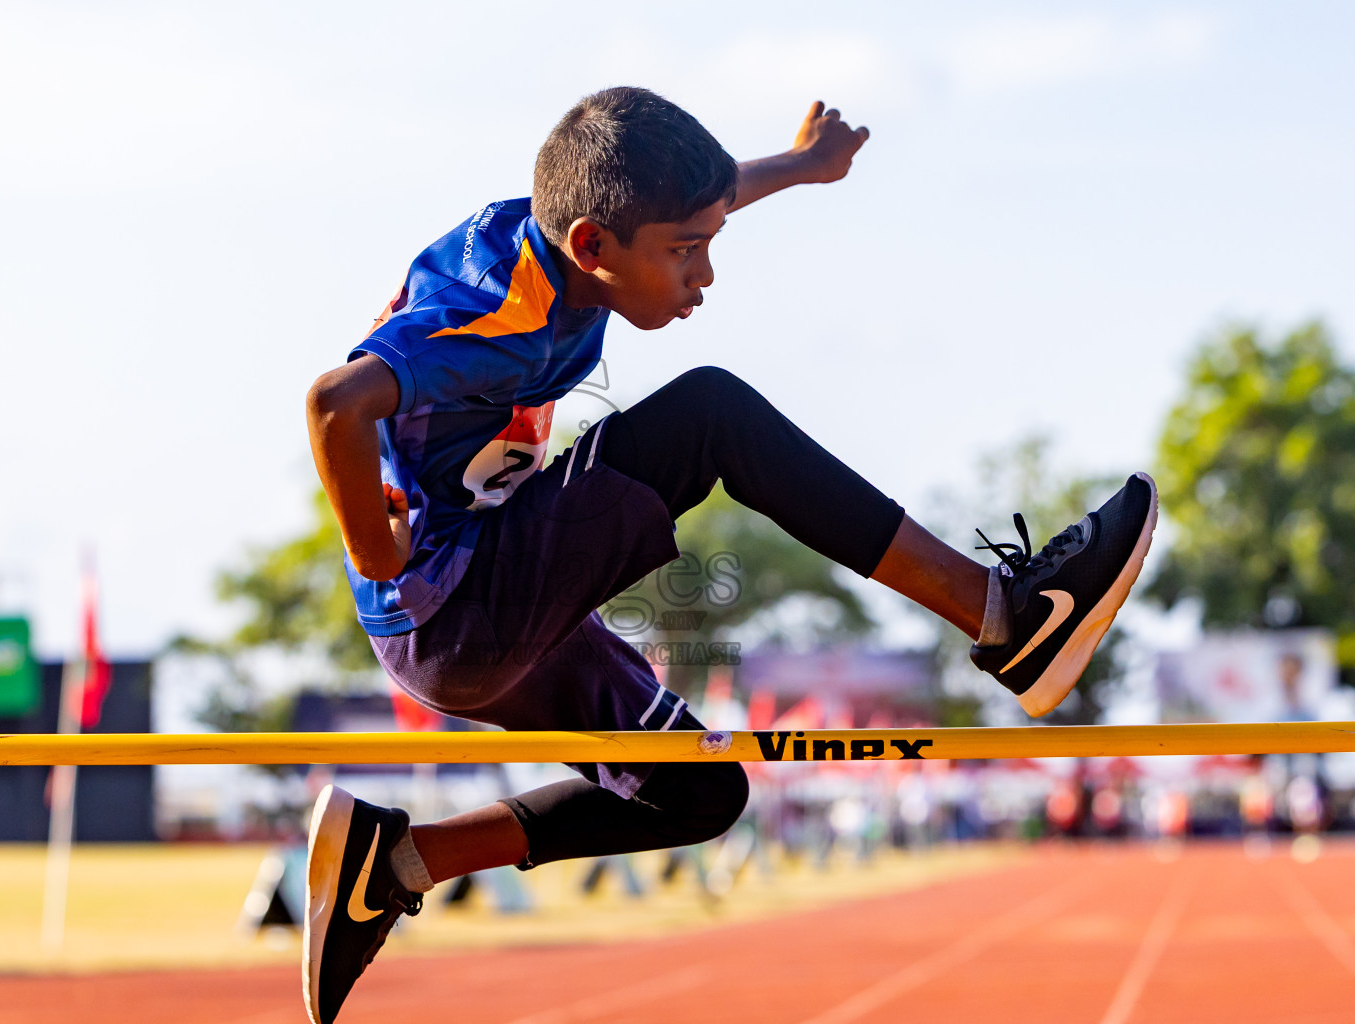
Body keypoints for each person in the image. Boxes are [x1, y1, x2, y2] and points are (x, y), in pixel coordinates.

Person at [300, 86, 1159, 1022]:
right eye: (685, 254)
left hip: (497, 618)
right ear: (593, 248)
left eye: (707, 243)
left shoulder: (574, 242)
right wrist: (376, 555)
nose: (703, 276)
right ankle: (1006, 618)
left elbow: (679, 206)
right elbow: (336, 403)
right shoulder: (491, 309)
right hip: (457, 611)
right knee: (710, 415)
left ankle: (396, 864)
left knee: (695, 790)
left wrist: (799, 168)